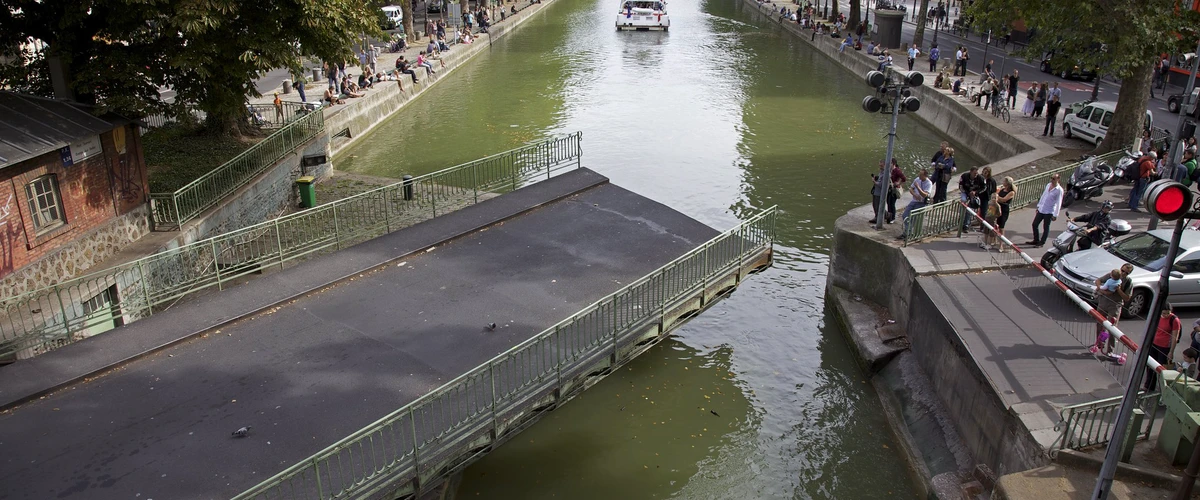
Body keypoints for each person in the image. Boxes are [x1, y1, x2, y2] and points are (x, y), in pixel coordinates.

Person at [1146, 303, 1182, 392]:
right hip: (1154, 344)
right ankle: (1149, 386)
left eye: (1167, 313)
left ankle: (1163, 390)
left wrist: (1171, 352)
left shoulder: (1174, 320)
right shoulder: (1157, 316)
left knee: (1162, 369)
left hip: (1165, 347)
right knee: (1150, 366)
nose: (1165, 315)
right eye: (1164, 313)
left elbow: (1175, 337)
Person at [1028, 173, 1063, 246]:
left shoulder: (1059, 190)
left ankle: (1042, 242)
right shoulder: (1048, 185)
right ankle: (1036, 239)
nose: (1052, 180)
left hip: (1049, 211)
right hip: (1042, 209)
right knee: (1035, 224)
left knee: (1046, 227)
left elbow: (1058, 202)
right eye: (1051, 178)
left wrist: (1055, 214)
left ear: (1058, 179)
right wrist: (1038, 206)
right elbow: (1043, 196)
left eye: (1053, 179)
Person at [898, 169, 934, 240]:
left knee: (914, 218)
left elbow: (925, 195)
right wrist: (914, 194)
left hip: (921, 203)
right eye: (919, 174)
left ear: (925, 176)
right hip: (914, 201)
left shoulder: (929, 183)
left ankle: (909, 234)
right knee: (905, 215)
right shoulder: (917, 179)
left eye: (921, 175)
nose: (919, 176)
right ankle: (908, 233)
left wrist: (918, 187)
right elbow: (911, 189)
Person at [959, 166, 985, 232]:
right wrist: (967, 193)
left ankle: (966, 225)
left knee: (969, 209)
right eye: (974, 173)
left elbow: (984, 187)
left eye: (976, 174)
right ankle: (961, 216)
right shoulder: (964, 176)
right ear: (970, 172)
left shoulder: (980, 178)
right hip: (965, 192)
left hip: (975, 194)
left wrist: (976, 192)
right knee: (963, 201)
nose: (975, 175)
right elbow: (961, 186)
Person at [995, 176, 1016, 249]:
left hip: (1004, 210)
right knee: (995, 225)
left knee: (1001, 226)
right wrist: (997, 197)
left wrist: (997, 197)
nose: (1003, 182)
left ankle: (1001, 244)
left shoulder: (1011, 192)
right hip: (997, 208)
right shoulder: (1002, 189)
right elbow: (996, 196)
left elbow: (1004, 200)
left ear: (1007, 183)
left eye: (1004, 181)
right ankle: (995, 240)